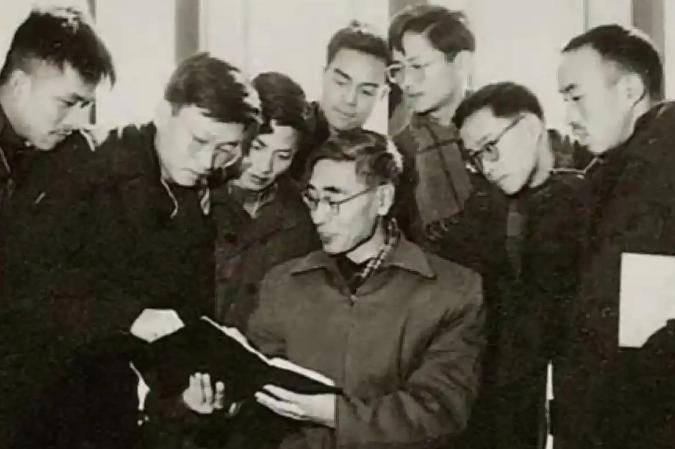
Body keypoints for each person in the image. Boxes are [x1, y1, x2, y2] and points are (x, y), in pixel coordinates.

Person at [1, 49, 259, 448]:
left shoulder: (194, 204)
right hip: (27, 402)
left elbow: (180, 316)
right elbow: (21, 281)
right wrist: (127, 315)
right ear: (163, 113)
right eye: (199, 140)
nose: (209, 161)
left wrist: (193, 388)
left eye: (226, 149)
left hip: (107, 406)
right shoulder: (85, 159)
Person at [235, 129, 485, 448]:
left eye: (334, 199)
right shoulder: (283, 283)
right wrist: (222, 401)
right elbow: (256, 390)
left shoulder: (454, 290)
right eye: (312, 198)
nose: (318, 216)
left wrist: (336, 414)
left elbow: (441, 409)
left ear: (382, 199)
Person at [0, 6, 116, 446]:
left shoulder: (67, 155)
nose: (77, 121)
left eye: (85, 106)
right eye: (67, 103)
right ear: (18, 84)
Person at [555, 24, 675, 449]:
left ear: (629, 90)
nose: (569, 117)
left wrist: (634, 389)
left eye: (576, 97)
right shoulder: (611, 173)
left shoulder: (657, 171)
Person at [452, 82, 587, 449]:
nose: (486, 167)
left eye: (490, 147)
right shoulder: (477, 214)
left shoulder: (592, 203)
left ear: (529, 128)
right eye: (475, 157)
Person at [212, 71, 320, 328]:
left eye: (282, 156)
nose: (264, 167)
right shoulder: (194, 197)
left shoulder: (305, 215)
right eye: (257, 147)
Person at [387, 5, 475, 243]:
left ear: (461, 63)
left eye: (417, 66)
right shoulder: (399, 153)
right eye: (398, 70)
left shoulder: (502, 129)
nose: (406, 82)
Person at [287, 21, 388, 180]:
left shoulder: (379, 156)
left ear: (382, 95)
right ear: (323, 75)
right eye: (341, 83)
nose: (350, 99)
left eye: (366, 91)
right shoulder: (288, 134)